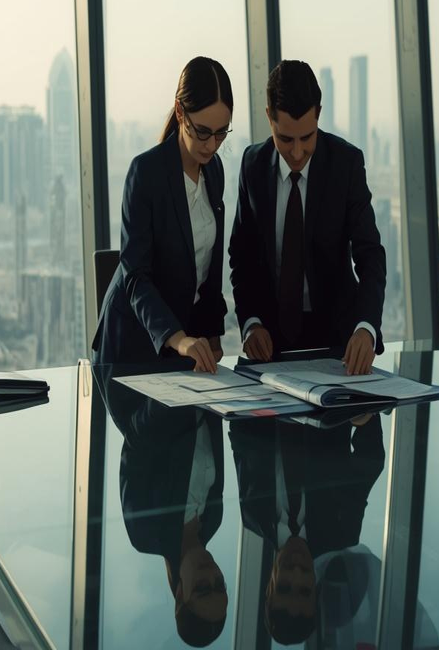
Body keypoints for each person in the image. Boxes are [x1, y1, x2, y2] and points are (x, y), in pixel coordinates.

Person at [228, 60, 386, 375]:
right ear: (268, 118)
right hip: (269, 347)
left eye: (307, 137)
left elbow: (370, 255)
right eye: (286, 139)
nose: (298, 152)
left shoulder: (346, 164)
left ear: (319, 114)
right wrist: (250, 322)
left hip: (338, 344)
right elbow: (241, 258)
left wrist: (366, 327)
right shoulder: (253, 166)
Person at [93, 57, 233, 371]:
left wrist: (212, 333)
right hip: (132, 347)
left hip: (184, 349)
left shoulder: (215, 171)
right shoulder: (146, 173)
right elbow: (136, 277)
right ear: (180, 112)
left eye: (222, 133)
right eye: (202, 132)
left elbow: (208, 265)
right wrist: (179, 338)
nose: (211, 145)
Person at [229, 416, 386, 645]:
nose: (295, 572)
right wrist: (365, 420)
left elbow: (240, 436)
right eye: (303, 590)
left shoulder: (252, 515)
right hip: (324, 391)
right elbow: (370, 460)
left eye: (284, 587)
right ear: (315, 589)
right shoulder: (343, 530)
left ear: (268, 589)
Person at [104, 373, 229, 647]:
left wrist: (175, 393)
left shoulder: (145, 533)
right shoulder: (214, 520)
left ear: (180, 597)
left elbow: (134, 444)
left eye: (202, 588)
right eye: (220, 585)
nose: (212, 574)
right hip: (200, 376)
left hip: (149, 374)